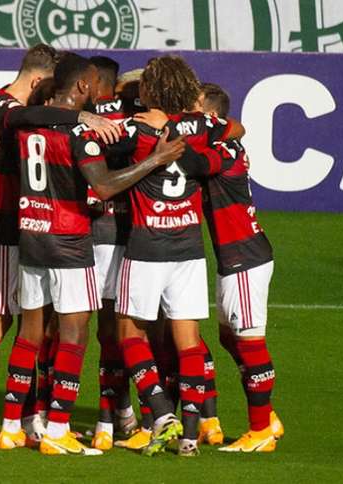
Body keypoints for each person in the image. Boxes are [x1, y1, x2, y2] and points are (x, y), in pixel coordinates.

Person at [0, 53, 188, 455]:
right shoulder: (80, 134)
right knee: (75, 333)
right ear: (83, 86)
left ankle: (12, 426)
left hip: (32, 235)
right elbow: (102, 188)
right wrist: (155, 159)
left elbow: (13, 118)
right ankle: (58, 430)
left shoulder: (30, 124)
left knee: (30, 332)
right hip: (69, 240)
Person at [0, 44, 121, 445]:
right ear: (40, 80)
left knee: (17, 324)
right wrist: (81, 115)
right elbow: (30, 115)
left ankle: (16, 417)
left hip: (6, 224)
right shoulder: (12, 108)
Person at [113, 56, 237, 457]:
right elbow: (237, 128)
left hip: (147, 244)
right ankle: (188, 436)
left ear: (152, 89)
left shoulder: (137, 128)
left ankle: (161, 409)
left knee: (129, 331)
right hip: (188, 248)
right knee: (188, 343)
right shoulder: (203, 125)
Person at [196, 83, 285, 453]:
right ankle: (269, 415)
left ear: (209, 116)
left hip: (244, 259)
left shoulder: (220, 148)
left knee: (250, 342)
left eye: (193, 109)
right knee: (227, 337)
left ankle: (260, 429)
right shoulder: (221, 142)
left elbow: (193, 161)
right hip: (236, 255)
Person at [86, 55, 138, 451]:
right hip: (135, 232)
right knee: (126, 330)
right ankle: (123, 415)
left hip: (94, 231)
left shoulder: (78, 115)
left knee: (101, 332)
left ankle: (110, 421)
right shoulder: (132, 115)